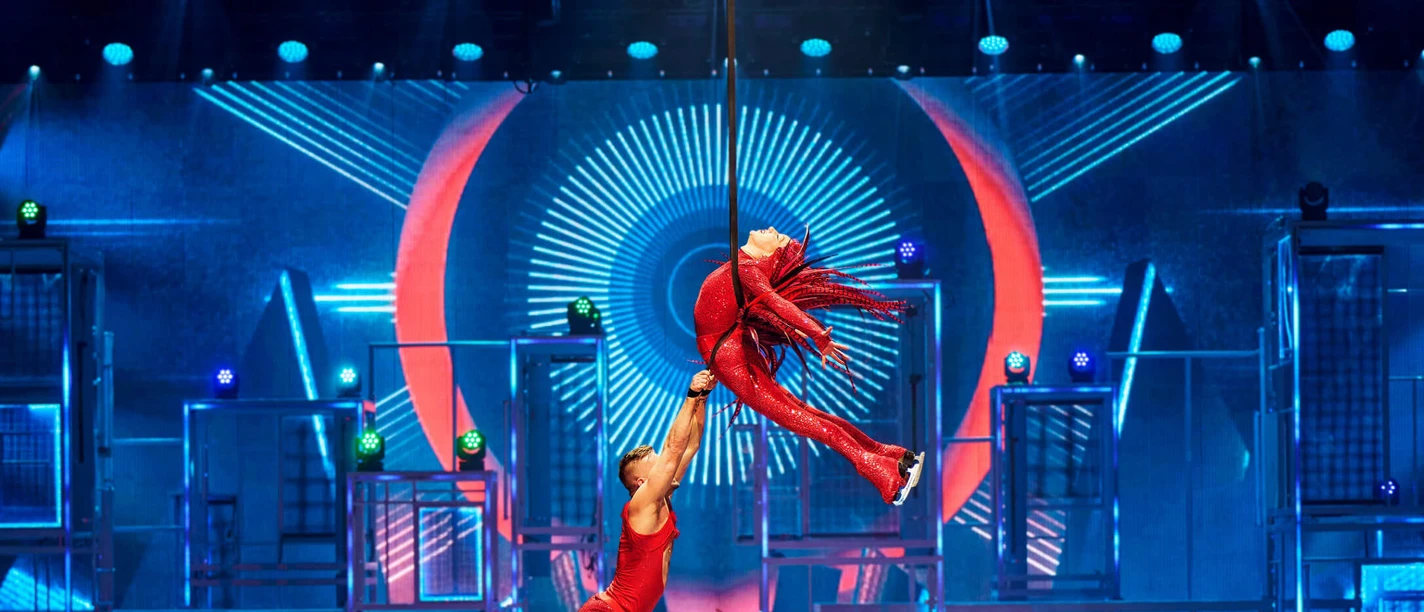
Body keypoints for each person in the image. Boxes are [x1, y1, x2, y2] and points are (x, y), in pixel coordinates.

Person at [694, 226, 924, 505]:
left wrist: (816, 333)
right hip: (731, 347)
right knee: (801, 412)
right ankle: (890, 455)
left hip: (729, 355)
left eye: (776, 236)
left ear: (773, 254)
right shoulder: (743, 266)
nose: (772, 229)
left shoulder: (748, 269)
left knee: (800, 418)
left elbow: (776, 302)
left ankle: (880, 471)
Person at [579, 370, 716, 612]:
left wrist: (703, 397)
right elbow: (673, 449)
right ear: (642, 482)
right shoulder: (641, 504)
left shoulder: (661, 499)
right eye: (658, 464)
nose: (665, 465)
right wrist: (691, 396)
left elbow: (691, 444)